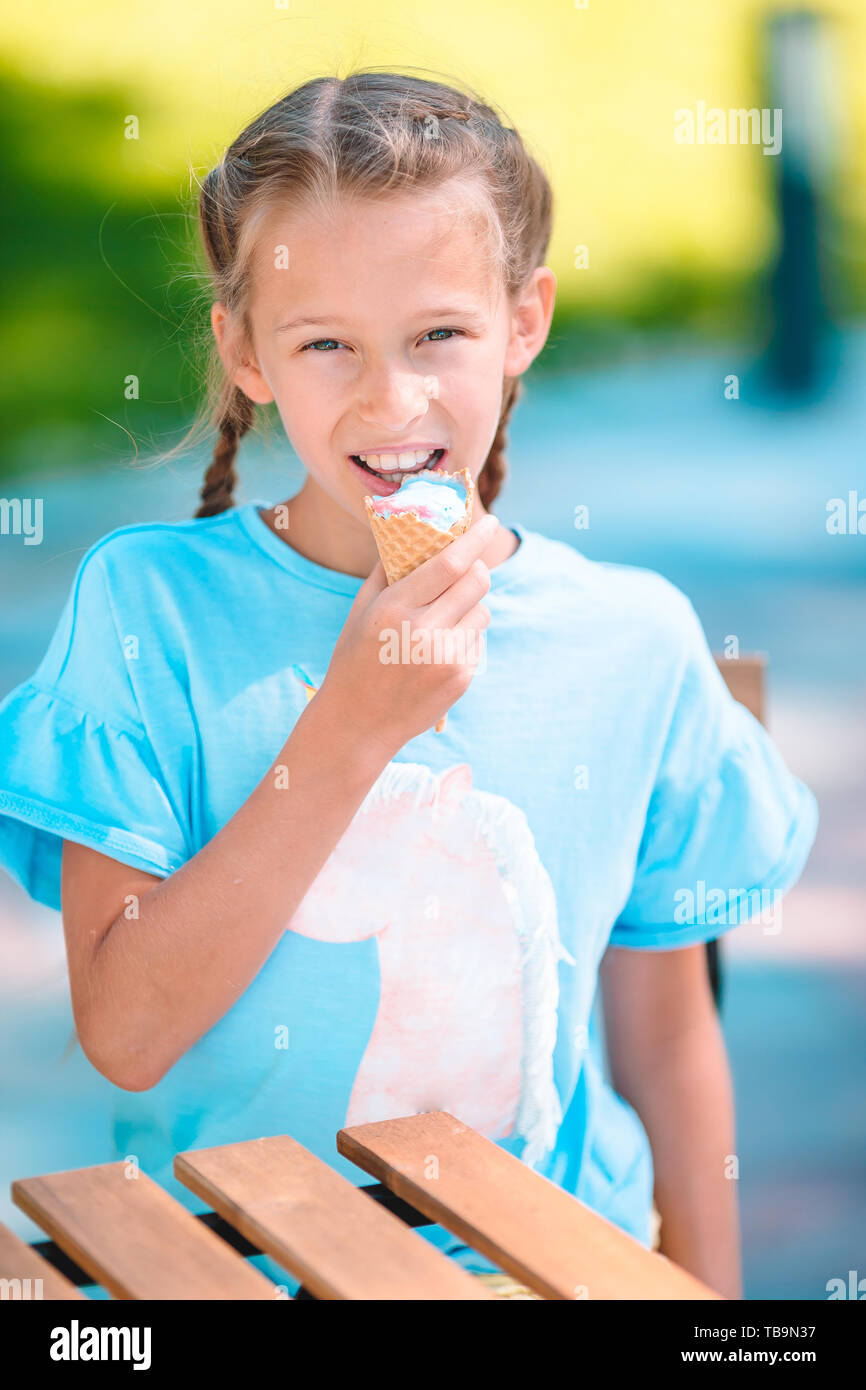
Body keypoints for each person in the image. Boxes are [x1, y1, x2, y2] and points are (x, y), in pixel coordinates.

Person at [0, 72, 818, 1301]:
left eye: (439, 333)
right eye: (325, 342)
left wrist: (714, 1317)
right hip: (232, 1265)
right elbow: (126, 1035)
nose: (392, 402)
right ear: (244, 352)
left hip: (542, 1262)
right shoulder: (149, 611)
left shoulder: (633, 639)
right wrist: (344, 735)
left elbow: (664, 1033)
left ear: (523, 317)